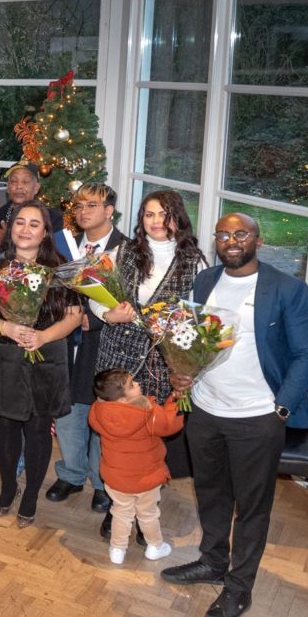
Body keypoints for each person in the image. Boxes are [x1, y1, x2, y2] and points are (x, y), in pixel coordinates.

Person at [161, 213, 308, 617]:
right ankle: (212, 562)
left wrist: (281, 407)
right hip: (206, 411)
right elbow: (191, 340)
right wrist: (184, 373)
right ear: (215, 240)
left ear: (258, 241)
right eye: (224, 234)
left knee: (252, 507)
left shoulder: (287, 289)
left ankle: (239, 586)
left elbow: (306, 355)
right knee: (211, 493)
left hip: (257, 417)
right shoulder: (205, 282)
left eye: (241, 234)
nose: (232, 241)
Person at [0, 201, 81, 528]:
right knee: (4, 429)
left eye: (34, 224)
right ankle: (7, 487)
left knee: (37, 430)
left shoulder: (61, 269)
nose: (26, 229)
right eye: (20, 222)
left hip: (47, 358)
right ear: (11, 227)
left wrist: (43, 337)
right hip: (5, 357)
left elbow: (75, 317)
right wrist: (6, 327)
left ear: (46, 232)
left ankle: (30, 493)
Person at [94, 190, 205, 485]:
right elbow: (95, 294)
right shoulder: (122, 252)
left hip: (160, 364)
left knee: (150, 434)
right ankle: (112, 492)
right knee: (114, 430)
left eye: (164, 215)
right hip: (117, 357)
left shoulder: (195, 264)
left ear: (177, 219)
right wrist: (108, 314)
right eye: (149, 214)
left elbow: (199, 319)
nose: (156, 221)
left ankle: (146, 492)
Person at [44, 183, 127, 512]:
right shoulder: (63, 245)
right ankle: (71, 474)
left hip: (104, 342)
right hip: (65, 341)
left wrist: (98, 316)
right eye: (78, 206)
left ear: (109, 211)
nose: (83, 211)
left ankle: (101, 482)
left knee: (100, 413)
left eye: (92, 205)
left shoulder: (127, 249)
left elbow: (130, 298)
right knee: (67, 410)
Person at [88, 369, 181, 566]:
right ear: (121, 399)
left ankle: (117, 549)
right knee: (148, 514)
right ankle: (155, 546)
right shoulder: (147, 411)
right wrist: (173, 402)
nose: (138, 384)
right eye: (132, 385)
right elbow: (169, 425)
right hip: (146, 478)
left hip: (116, 478)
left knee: (121, 512)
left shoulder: (98, 410)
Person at [0, 164, 63, 246]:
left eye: (25, 182)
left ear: (36, 188)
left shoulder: (52, 218)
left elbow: (53, 256)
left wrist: (7, 243)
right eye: (14, 181)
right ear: (8, 187)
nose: (19, 186)